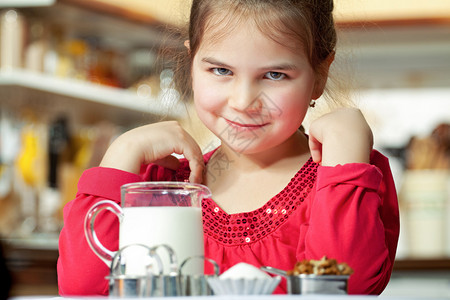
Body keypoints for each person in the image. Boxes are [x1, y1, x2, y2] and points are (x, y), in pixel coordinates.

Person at [57, 0, 399, 295]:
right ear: (192, 63)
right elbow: (83, 291)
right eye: (221, 70)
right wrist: (122, 151)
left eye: (275, 75)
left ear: (320, 74)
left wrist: (344, 157)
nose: (243, 101)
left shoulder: (346, 178)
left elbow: (346, 290)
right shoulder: (161, 186)